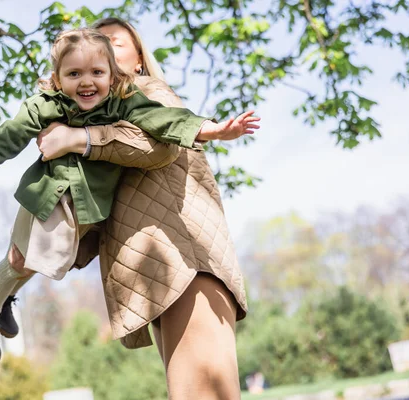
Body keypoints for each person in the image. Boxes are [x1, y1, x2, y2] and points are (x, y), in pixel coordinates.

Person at [0, 27, 258, 365]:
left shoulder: (129, 100)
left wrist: (209, 129)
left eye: (96, 71)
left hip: (92, 206)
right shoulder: (45, 105)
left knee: (44, 264)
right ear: (58, 79)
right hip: (50, 194)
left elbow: (163, 119)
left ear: (117, 70)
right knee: (19, 260)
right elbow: (6, 136)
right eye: (74, 73)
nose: (86, 81)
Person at [35, 18, 255, 399]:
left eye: (114, 42)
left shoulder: (148, 90)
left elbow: (161, 146)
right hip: (154, 272)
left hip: (187, 258)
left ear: (138, 60)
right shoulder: (101, 115)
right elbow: (98, 210)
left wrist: (79, 138)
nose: (101, 48)